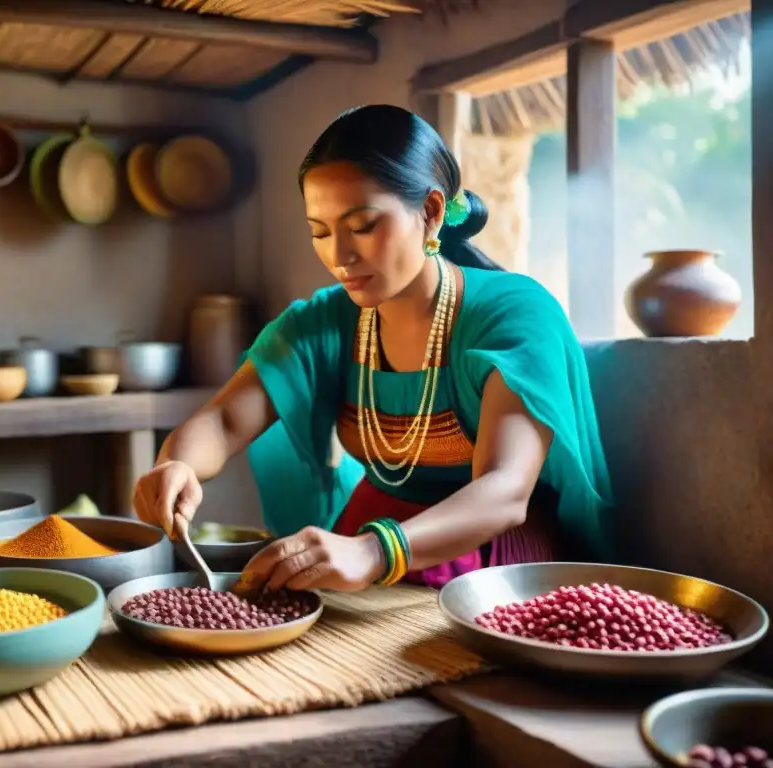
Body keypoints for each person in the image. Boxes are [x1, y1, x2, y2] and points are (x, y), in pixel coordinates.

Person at [133, 104, 613, 593]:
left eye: (362, 226)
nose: (339, 256)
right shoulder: (325, 321)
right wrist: (177, 465)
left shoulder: (513, 314)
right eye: (320, 231)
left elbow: (506, 492)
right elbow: (224, 420)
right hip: (364, 542)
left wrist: (373, 551)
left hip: (482, 556)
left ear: (429, 213)